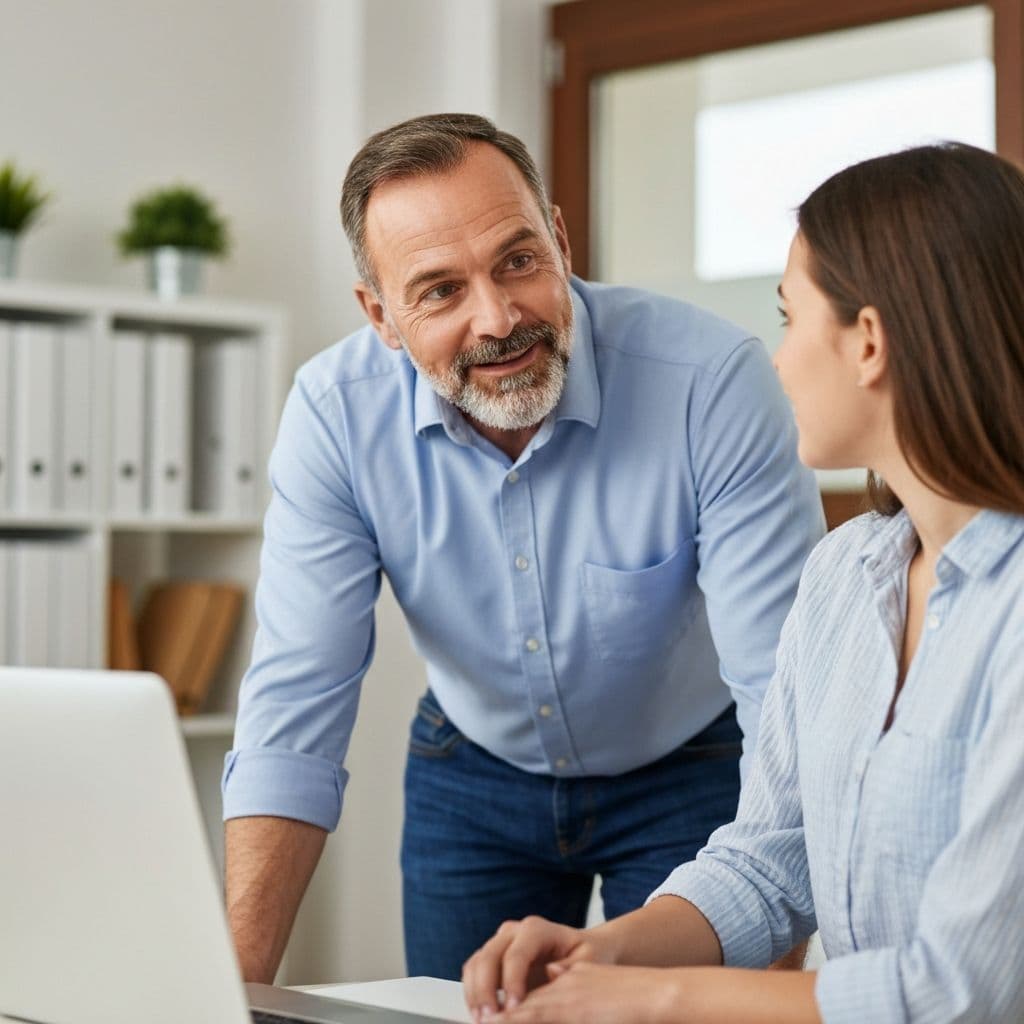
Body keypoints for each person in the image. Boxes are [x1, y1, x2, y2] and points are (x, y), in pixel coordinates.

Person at [221, 113, 824, 983]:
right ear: (381, 316)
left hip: (692, 767)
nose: (498, 318)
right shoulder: (333, 414)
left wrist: (768, 961)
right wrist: (227, 988)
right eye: (438, 291)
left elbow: (783, 699)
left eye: (518, 260)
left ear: (561, 239)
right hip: (472, 770)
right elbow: (295, 705)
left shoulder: (710, 381)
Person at [461, 141, 1024, 1023]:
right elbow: (770, 861)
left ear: (868, 341)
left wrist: (648, 1000)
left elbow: (964, 992)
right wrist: (602, 951)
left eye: (791, 319)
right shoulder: (846, 575)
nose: (778, 358)